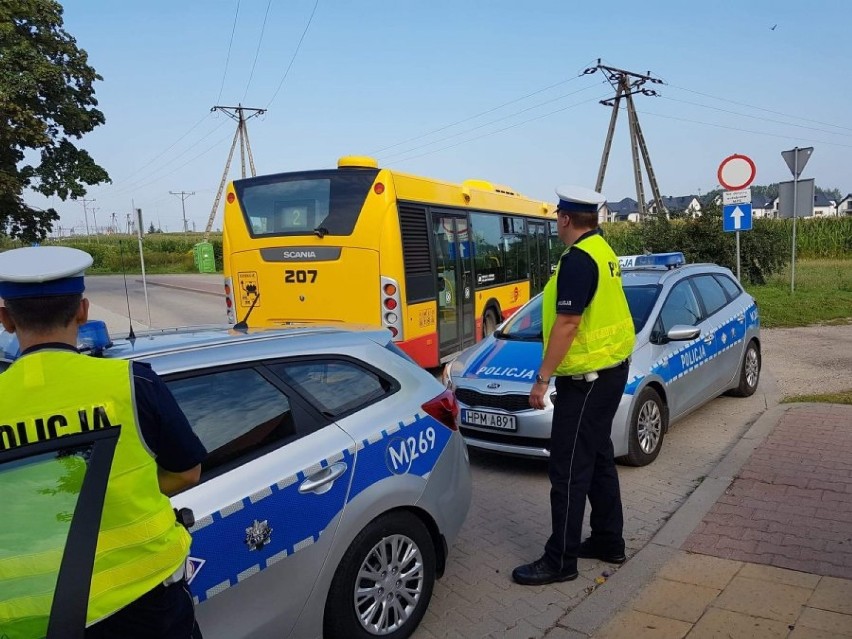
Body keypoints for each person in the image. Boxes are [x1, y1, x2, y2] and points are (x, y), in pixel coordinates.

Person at [0, 246, 207, 637]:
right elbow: (187, 473)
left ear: (6, 320)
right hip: (146, 605)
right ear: (82, 310)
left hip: (25, 617)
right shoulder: (133, 384)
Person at [512, 186, 635, 585]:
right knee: (598, 456)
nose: (556, 221)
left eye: (556, 216)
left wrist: (542, 377)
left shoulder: (579, 260)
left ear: (565, 218)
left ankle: (560, 560)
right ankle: (607, 540)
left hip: (586, 381)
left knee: (567, 469)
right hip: (608, 373)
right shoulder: (603, 250)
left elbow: (568, 323)